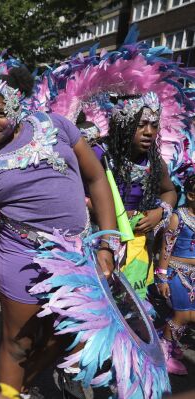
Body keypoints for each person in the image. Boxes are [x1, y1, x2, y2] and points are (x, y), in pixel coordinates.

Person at [0, 67, 117, 397]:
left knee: (69, 333)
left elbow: (97, 179)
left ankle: (25, 383)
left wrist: (107, 243)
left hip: (79, 253)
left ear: (17, 103)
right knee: (18, 343)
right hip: (20, 257)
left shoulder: (56, 126)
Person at [93, 92, 177, 298]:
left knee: (132, 306)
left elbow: (170, 191)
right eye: (141, 125)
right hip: (98, 239)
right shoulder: (98, 154)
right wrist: (108, 212)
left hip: (136, 244)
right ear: (123, 125)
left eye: (154, 125)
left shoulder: (153, 162)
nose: (149, 132)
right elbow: (74, 195)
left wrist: (160, 212)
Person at [156, 173, 195, 375]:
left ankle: (170, 340)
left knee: (189, 316)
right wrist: (162, 277)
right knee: (184, 314)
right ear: (191, 195)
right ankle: (164, 353)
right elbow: (165, 249)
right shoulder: (177, 218)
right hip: (176, 271)